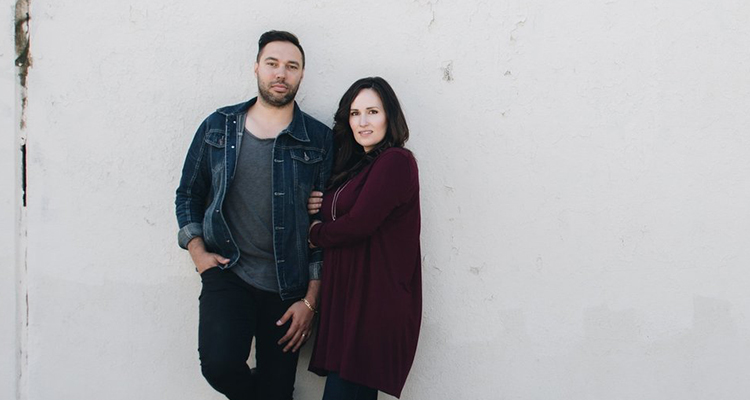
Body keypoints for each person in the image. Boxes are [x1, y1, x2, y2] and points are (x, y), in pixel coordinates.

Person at [174, 30, 333, 400]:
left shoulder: (319, 139)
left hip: (288, 286)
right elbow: (188, 194)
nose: (281, 73)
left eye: (291, 66)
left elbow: (322, 229)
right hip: (228, 272)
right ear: (257, 68)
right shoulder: (218, 126)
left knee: (278, 390)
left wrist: (311, 301)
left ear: (301, 74)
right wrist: (199, 254)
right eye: (272, 63)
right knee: (219, 366)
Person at [306, 77, 422, 399]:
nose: (362, 122)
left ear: (389, 116)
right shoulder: (357, 168)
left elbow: (359, 223)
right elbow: (345, 210)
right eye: (355, 113)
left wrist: (315, 233)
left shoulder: (396, 161)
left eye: (372, 112)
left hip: (373, 305)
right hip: (349, 303)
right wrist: (318, 202)